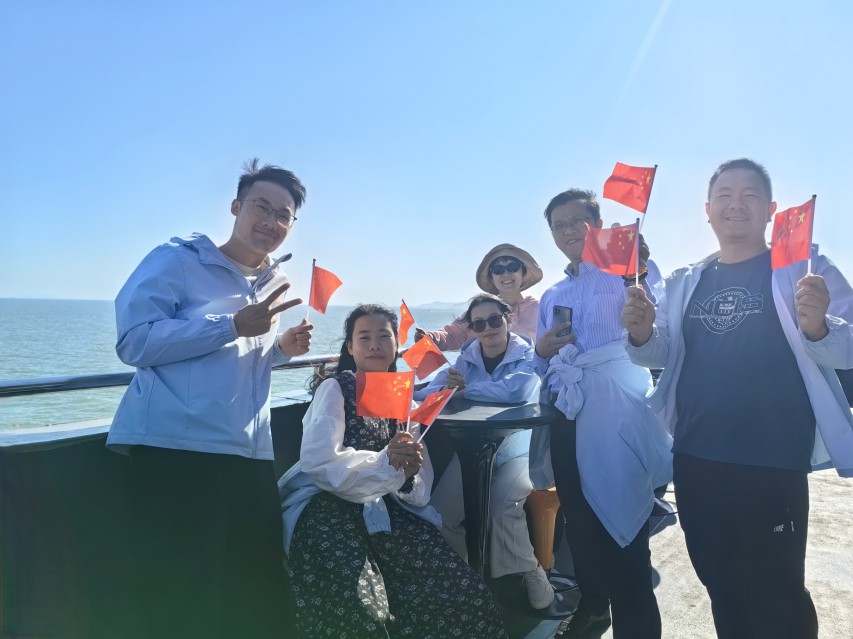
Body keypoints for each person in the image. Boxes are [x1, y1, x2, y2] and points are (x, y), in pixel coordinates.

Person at [621, 158, 853, 639]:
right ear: (707, 210)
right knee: (720, 583)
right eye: (725, 194)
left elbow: (847, 346)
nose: (736, 203)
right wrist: (641, 334)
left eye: (750, 194)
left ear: (770, 209)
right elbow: (662, 352)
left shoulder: (804, 268)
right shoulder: (686, 279)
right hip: (696, 453)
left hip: (772, 455)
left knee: (775, 591)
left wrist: (818, 326)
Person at [106, 159, 313, 638]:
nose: (272, 221)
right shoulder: (178, 260)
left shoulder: (273, 280)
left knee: (256, 585)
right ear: (236, 207)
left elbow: (233, 363)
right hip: (178, 450)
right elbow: (134, 342)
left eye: (283, 215)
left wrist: (279, 351)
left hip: (247, 452)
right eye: (262, 207)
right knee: (183, 588)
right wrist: (232, 325)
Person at [280, 304, 508, 639]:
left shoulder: (403, 399)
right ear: (350, 347)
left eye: (384, 336)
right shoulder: (335, 389)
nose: (375, 345)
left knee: (462, 592)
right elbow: (319, 461)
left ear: (395, 346)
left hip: (391, 508)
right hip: (330, 507)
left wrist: (409, 474)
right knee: (360, 606)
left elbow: (419, 486)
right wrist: (384, 463)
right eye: (364, 337)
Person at [534, 188, 672, 639]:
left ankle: (637, 624)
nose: (569, 231)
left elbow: (661, 335)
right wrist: (542, 351)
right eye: (559, 225)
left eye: (578, 221)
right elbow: (543, 366)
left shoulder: (629, 273)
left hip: (618, 413)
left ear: (597, 226)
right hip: (568, 413)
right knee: (579, 519)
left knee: (625, 520)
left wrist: (641, 273)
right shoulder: (552, 295)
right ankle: (594, 606)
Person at [414, 294, 554, 610]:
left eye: (494, 320)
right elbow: (435, 387)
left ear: (507, 320)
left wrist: (465, 389)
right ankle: (466, 583)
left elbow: (516, 391)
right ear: (472, 329)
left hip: (519, 449)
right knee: (440, 513)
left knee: (503, 505)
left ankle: (532, 572)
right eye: (479, 324)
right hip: (474, 450)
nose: (487, 328)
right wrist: (432, 389)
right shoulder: (467, 357)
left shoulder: (527, 354)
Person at [416, 243, 542, 349]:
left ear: (523, 272)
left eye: (512, 267)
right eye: (498, 270)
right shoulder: (481, 311)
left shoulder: (541, 309)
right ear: (491, 277)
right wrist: (428, 338)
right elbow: (451, 335)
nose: (506, 273)